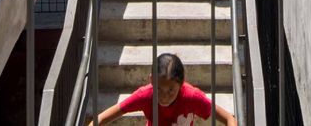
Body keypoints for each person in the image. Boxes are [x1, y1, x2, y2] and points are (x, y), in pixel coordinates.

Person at [87, 50, 233, 124]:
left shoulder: (192, 97)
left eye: (171, 91)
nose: (164, 97)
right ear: (151, 80)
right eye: (158, 89)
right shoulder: (145, 95)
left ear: (181, 83)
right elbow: (101, 118)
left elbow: (228, 118)